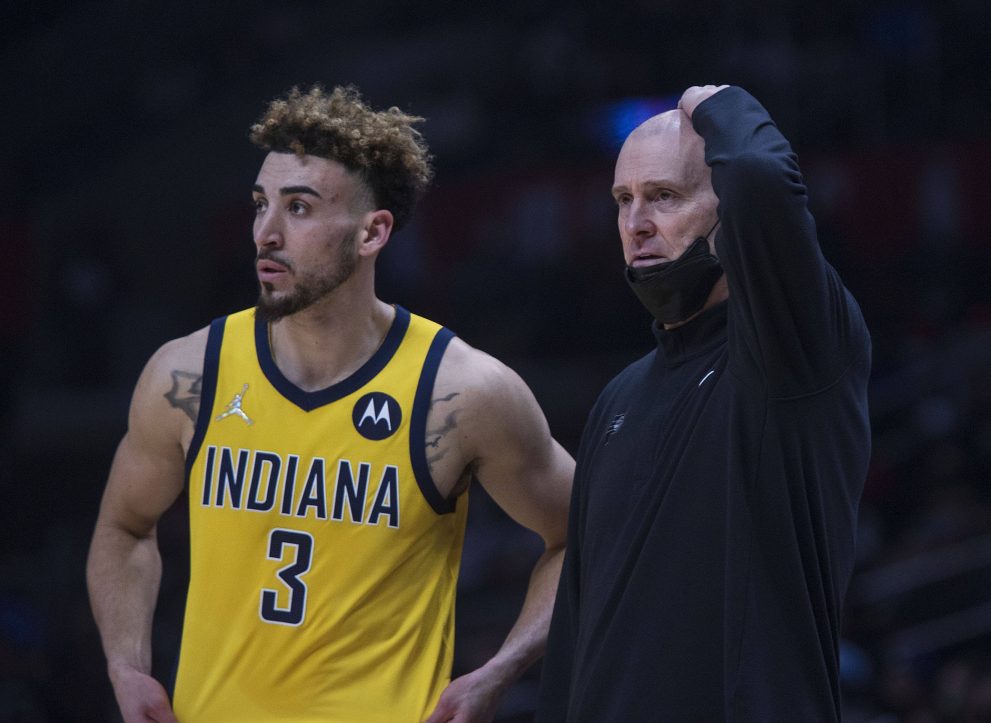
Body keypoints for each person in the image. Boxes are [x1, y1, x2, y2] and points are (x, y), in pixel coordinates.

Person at [86, 85, 574, 723]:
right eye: (261, 204)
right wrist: (126, 665)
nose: (266, 232)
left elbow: (583, 538)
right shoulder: (188, 374)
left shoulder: (461, 391)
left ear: (373, 231)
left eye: (299, 208)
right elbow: (123, 527)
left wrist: (499, 671)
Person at [536, 85, 871, 721]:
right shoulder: (619, 397)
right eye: (623, 200)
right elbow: (577, 629)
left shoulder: (793, 353)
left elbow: (758, 175)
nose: (636, 224)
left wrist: (712, 99)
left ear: (728, 215)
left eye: (664, 196)